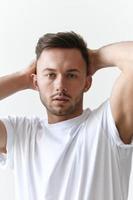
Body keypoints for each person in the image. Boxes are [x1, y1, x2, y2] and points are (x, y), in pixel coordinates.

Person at [0, 31, 133, 200]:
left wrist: (96, 58)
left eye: (71, 75)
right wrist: (21, 78)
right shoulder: (21, 134)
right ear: (36, 82)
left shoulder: (107, 126)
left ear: (87, 82)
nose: (60, 85)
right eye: (50, 75)